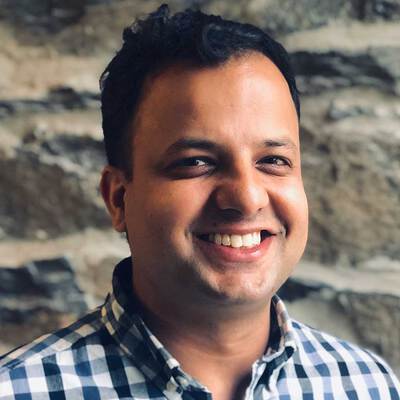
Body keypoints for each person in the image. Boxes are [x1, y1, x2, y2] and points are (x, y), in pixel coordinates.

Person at [1, 4, 399, 399]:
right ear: (118, 199)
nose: (247, 197)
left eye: (273, 161)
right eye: (195, 162)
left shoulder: (368, 385)